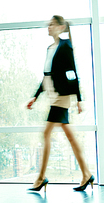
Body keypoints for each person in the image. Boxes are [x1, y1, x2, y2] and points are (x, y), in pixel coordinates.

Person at [27, 15, 93, 192]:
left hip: (61, 97)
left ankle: (41, 178)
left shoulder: (65, 46)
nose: (48, 27)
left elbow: (73, 73)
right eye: (48, 24)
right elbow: (46, 76)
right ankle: (87, 174)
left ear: (60, 27)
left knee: (46, 133)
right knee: (70, 136)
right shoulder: (50, 48)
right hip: (52, 96)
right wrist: (35, 96)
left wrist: (79, 99)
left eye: (52, 24)